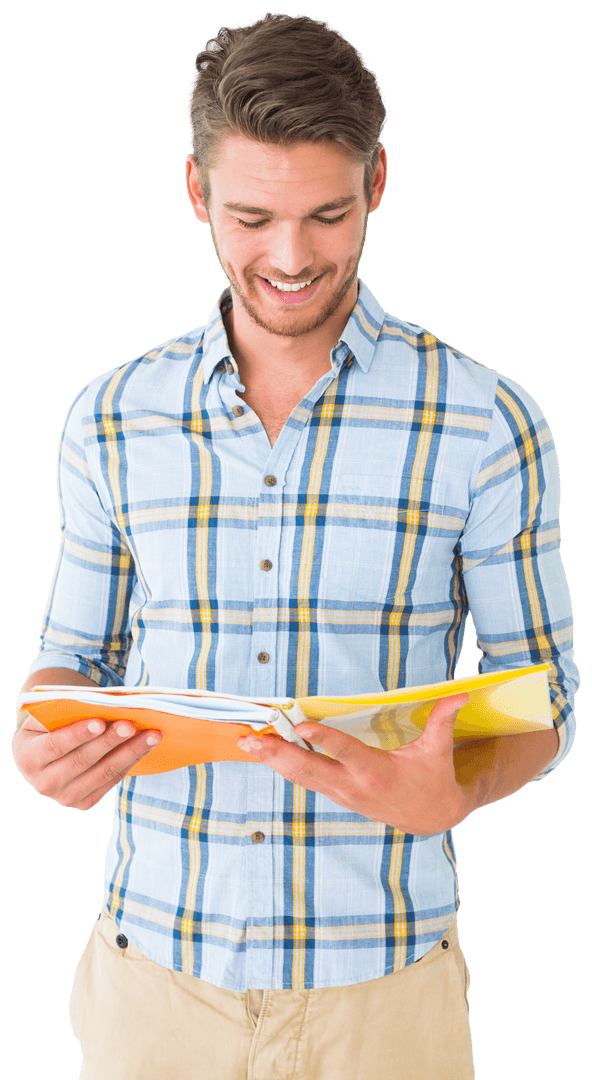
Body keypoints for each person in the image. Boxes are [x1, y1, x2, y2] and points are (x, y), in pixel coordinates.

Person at [12, 13, 578, 1080]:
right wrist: (45, 740)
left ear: (375, 184)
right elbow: (69, 658)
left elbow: (543, 699)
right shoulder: (109, 415)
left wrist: (457, 789)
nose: (288, 258)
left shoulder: (485, 420)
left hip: (387, 998)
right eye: (251, 217)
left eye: (324, 215)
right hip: (153, 992)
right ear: (195, 193)